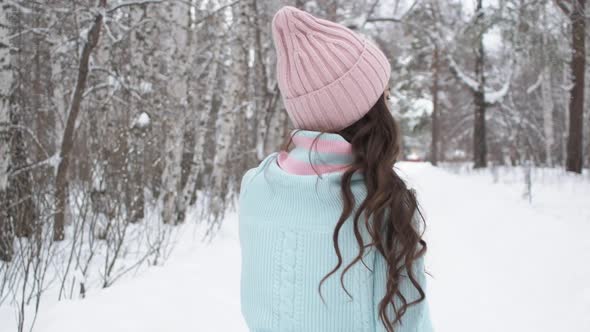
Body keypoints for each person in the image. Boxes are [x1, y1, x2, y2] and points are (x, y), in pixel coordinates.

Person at [238, 6, 433, 332]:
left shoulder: (256, 186)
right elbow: (409, 324)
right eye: (384, 95)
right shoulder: (385, 203)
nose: (390, 102)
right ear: (369, 112)